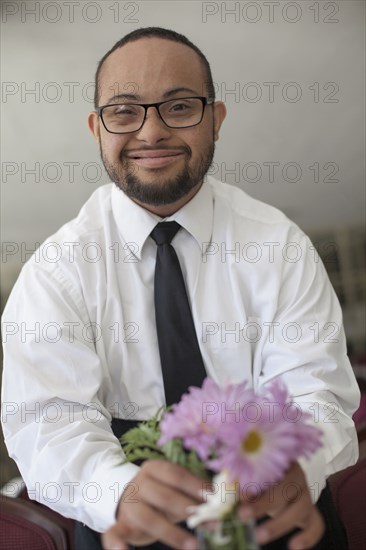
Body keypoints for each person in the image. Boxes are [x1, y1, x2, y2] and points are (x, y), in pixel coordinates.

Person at [1, 27, 360, 550]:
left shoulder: (279, 243)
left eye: (179, 107)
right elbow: (47, 424)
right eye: (124, 112)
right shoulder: (56, 271)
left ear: (215, 119)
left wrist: (297, 468)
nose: (150, 133)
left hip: (278, 505)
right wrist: (119, 491)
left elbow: (318, 394)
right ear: (96, 128)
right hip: (121, 516)